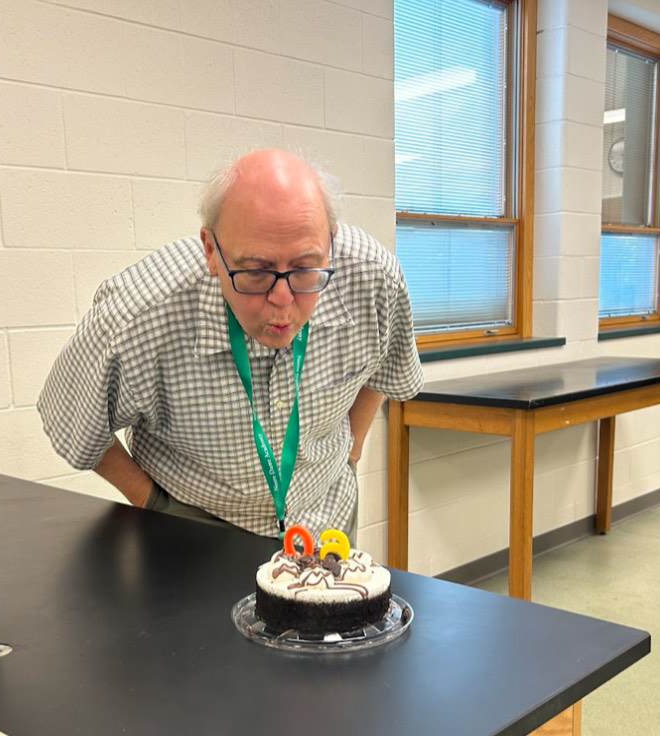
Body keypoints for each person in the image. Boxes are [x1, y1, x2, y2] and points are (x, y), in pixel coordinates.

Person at [38, 149, 422, 539]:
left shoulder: (373, 279)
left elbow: (386, 367)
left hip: (325, 515)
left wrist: (351, 453)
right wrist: (150, 501)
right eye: (256, 272)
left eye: (305, 269)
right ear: (210, 250)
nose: (282, 300)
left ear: (332, 242)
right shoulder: (141, 313)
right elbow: (70, 418)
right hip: (194, 527)